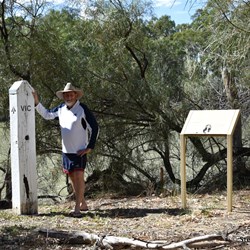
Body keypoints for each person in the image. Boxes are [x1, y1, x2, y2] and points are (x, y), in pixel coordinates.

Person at [33, 82, 99, 217]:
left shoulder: (82, 109)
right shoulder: (61, 109)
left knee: (79, 177)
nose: (68, 96)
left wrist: (89, 147)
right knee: (72, 179)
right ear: (63, 96)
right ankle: (83, 203)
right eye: (66, 95)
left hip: (80, 151)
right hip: (66, 151)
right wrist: (36, 102)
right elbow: (47, 115)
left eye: (71, 94)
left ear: (75, 95)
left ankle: (77, 208)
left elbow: (95, 128)